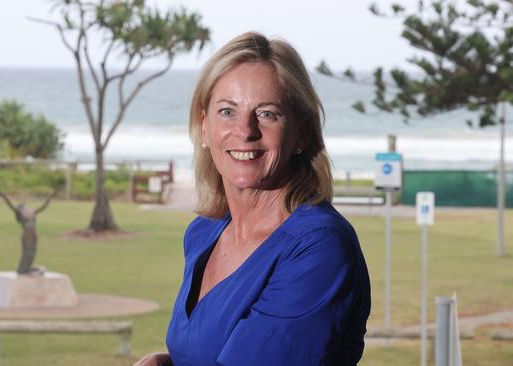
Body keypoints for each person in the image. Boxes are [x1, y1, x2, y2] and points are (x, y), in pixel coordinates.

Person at [135, 32, 371, 366]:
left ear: (301, 133)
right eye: (227, 111)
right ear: (204, 128)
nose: (245, 131)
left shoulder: (319, 249)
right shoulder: (205, 232)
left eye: (267, 114)